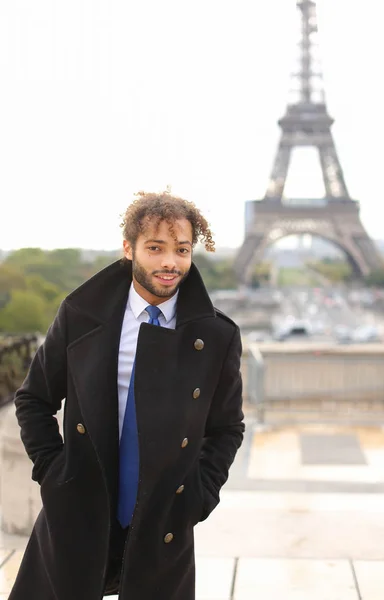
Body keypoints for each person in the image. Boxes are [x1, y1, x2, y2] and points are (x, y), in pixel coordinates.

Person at [9, 190, 245, 600]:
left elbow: (226, 428)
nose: (170, 262)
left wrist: (200, 495)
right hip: (82, 506)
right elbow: (33, 399)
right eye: (155, 248)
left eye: (182, 250)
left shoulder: (217, 335)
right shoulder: (81, 315)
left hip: (161, 518)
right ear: (128, 249)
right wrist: (53, 472)